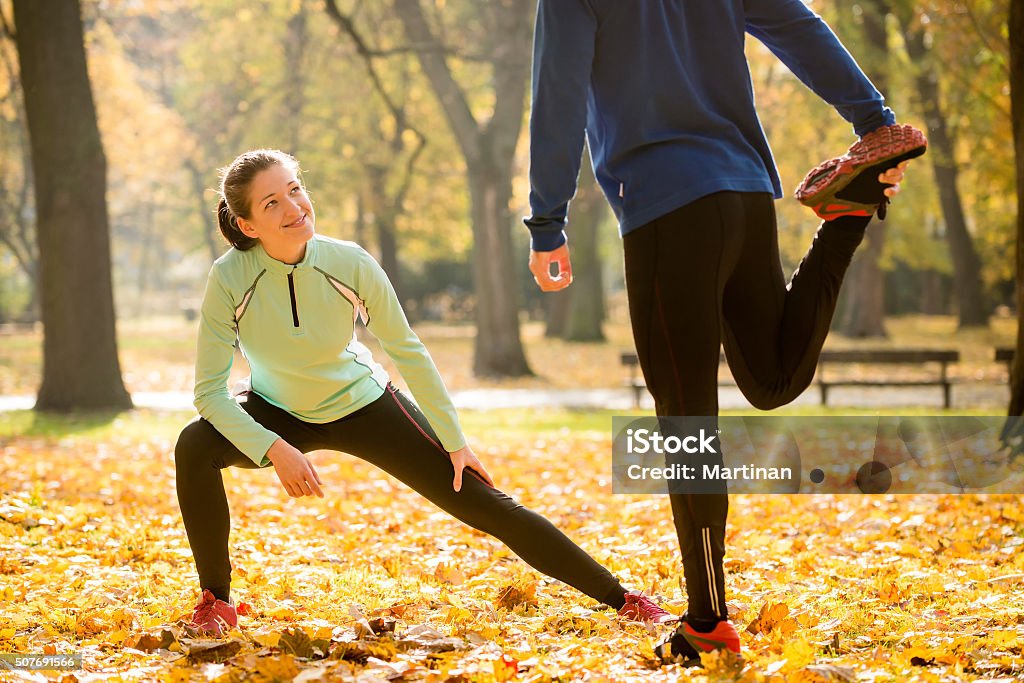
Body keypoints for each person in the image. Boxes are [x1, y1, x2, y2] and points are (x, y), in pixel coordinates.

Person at [524, 0, 925, 666]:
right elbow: (799, 27)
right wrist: (872, 120)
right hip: (742, 193)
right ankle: (848, 210)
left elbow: (558, 90)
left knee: (687, 425)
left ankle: (706, 621)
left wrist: (546, 220)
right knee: (771, 377)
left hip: (664, 206)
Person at [175, 149, 676, 636]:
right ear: (246, 225)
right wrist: (273, 447)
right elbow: (209, 393)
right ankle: (217, 602)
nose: (293, 207)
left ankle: (623, 598)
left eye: (295, 190)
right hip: (275, 412)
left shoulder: (349, 262)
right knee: (194, 445)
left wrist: (455, 441)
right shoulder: (229, 279)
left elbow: (408, 351)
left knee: (482, 502)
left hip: (363, 405)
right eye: (271, 203)